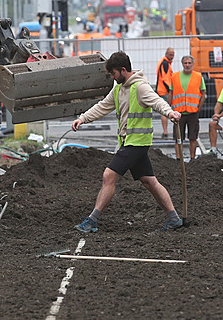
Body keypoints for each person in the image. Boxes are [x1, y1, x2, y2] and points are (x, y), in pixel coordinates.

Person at [72, 51, 183, 233]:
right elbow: (102, 106)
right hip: (128, 142)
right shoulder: (117, 89)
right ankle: (174, 218)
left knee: (109, 176)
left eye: (113, 74)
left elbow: (157, 101)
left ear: (123, 70)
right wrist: (83, 119)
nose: (112, 77)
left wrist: (170, 113)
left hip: (137, 142)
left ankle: (92, 220)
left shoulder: (140, 87)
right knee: (149, 181)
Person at [168, 55, 205, 160]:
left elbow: (203, 93)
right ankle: (179, 159)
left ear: (193, 64)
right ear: (182, 64)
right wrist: (169, 109)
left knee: (193, 137)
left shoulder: (198, 76)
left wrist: (198, 108)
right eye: (185, 63)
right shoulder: (174, 76)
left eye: (189, 63)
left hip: (193, 112)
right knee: (178, 138)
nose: (187, 65)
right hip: (178, 113)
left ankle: (192, 158)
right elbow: (171, 93)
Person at [155, 47, 174, 138]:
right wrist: (170, 90)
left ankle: (165, 131)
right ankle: (165, 131)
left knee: (165, 111)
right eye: (170, 54)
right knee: (165, 110)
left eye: (173, 55)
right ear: (166, 54)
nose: (172, 56)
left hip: (161, 89)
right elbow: (165, 79)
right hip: (164, 91)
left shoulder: (164, 62)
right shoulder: (165, 63)